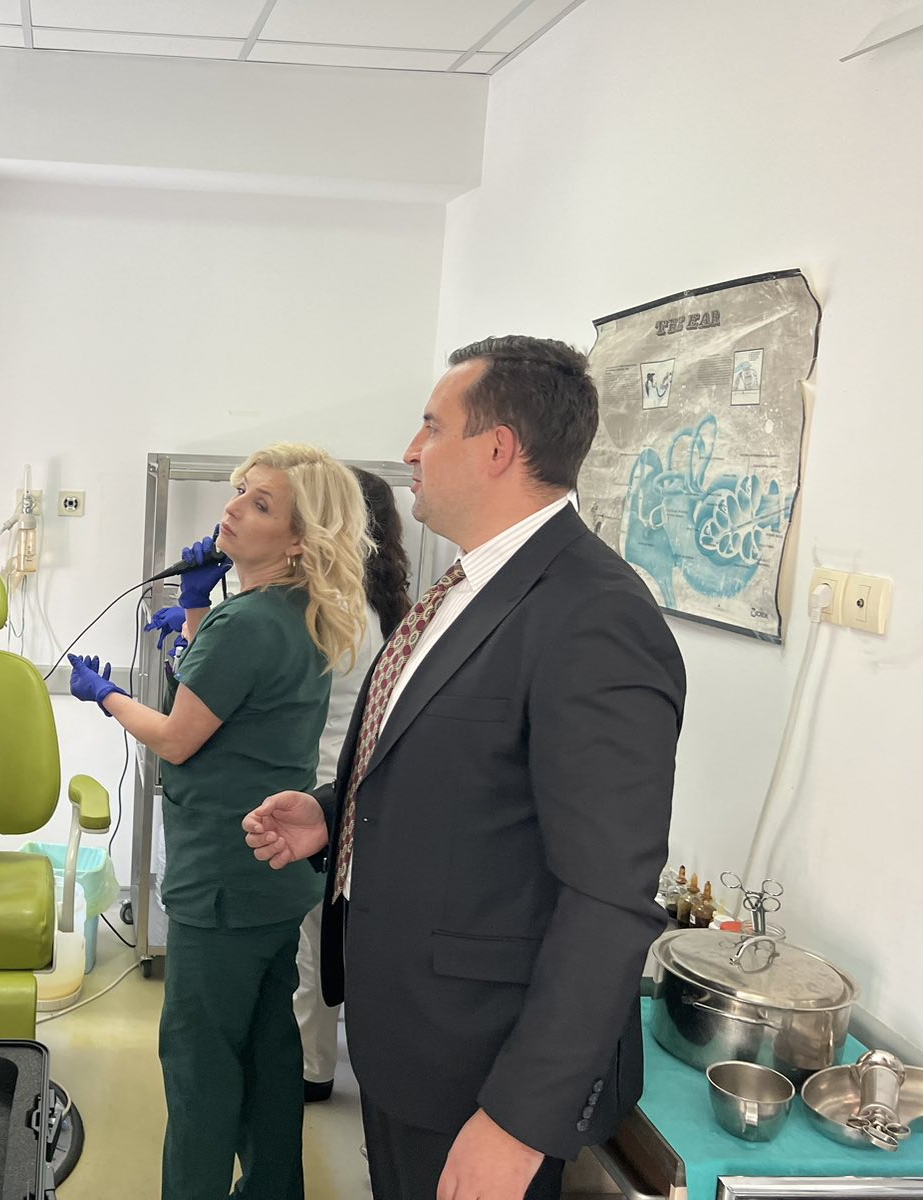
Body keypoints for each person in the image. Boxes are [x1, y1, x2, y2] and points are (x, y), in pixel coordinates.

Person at [243, 337, 686, 1200]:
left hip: (482, 1068)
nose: (411, 450)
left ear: (498, 448)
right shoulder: (467, 589)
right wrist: (334, 811)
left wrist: (519, 1120)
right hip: (406, 1036)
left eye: (431, 427)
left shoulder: (594, 617)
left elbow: (610, 898)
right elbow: (457, 767)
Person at [68, 443, 369, 1200]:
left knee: (200, 1064)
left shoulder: (248, 624)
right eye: (239, 492)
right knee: (268, 1054)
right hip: (274, 879)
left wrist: (104, 695)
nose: (231, 509)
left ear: (298, 539)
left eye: (260, 504)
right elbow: (228, 699)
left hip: (222, 882)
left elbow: (178, 736)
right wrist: (201, 609)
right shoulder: (297, 613)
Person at [294, 467, 411, 1104]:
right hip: (350, 791)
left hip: (321, 793)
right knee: (327, 940)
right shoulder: (383, 605)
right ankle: (319, 1059)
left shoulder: (334, 613)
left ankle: (311, 1071)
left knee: (314, 944)